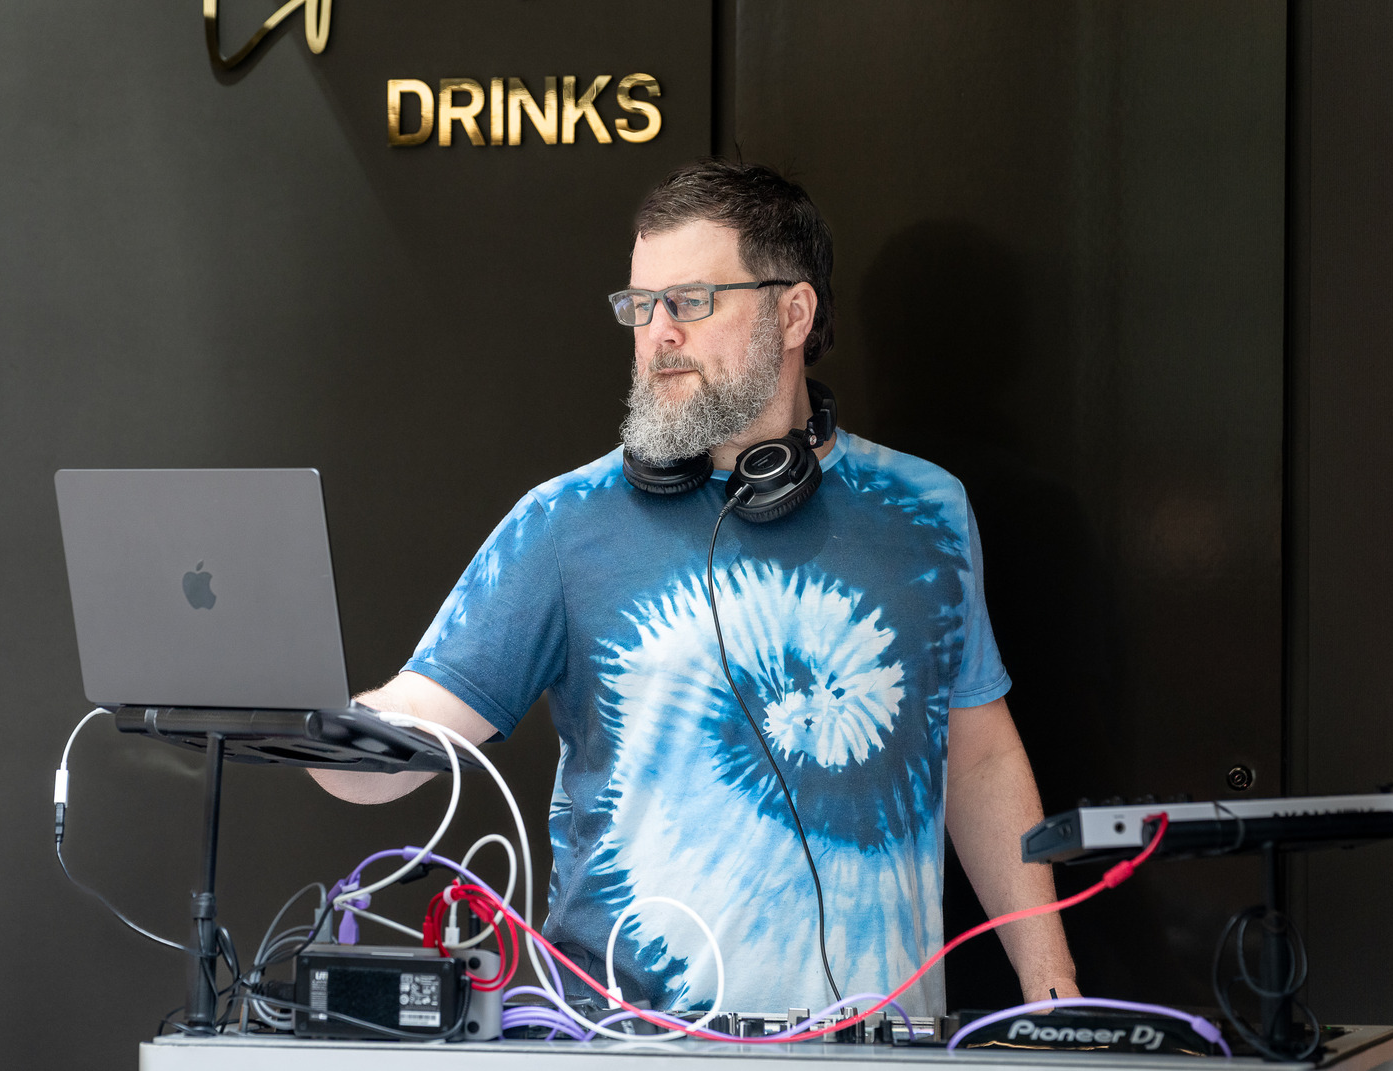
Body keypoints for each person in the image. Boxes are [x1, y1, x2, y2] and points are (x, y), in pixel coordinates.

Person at [312, 161, 1078, 1017]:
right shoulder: (566, 521)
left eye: (691, 301)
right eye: (640, 306)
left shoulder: (928, 511)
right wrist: (295, 726)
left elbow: (979, 757)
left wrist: (1056, 991)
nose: (657, 333)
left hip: (875, 1043)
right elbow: (412, 732)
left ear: (793, 312)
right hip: (626, 1044)